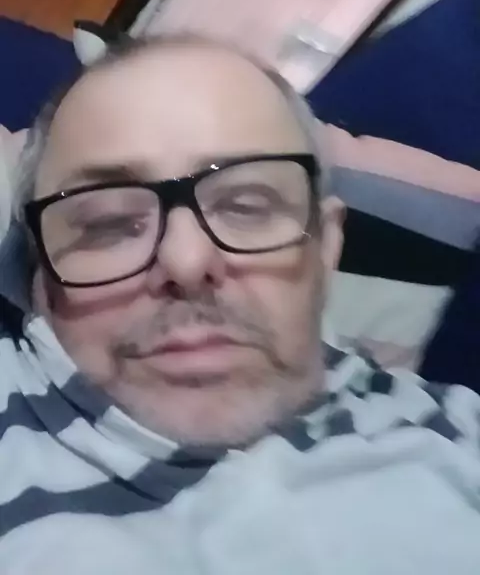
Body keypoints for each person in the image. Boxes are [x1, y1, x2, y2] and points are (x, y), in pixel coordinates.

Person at [0, 33, 479, 574]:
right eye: (108, 223)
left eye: (247, 206)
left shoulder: (460, 437)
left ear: (326, 245)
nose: (186, 261)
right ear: (38, 273)